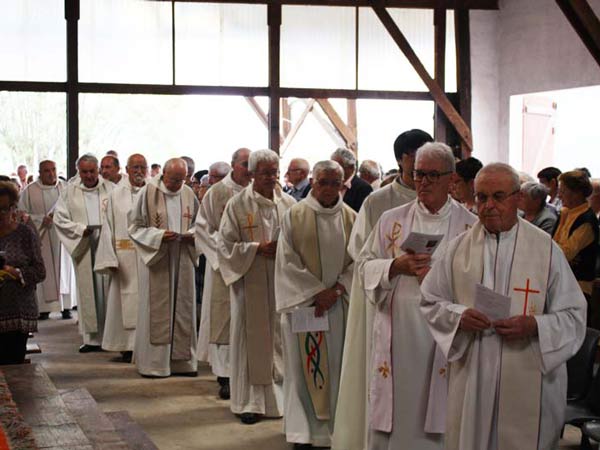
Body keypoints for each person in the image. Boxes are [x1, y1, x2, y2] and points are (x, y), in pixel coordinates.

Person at [420, 163, 586, 450]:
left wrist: (535, 325)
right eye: (481, 197)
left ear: (517, 198)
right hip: (473, 376)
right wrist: (459, 317)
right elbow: (430, 300)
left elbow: (574, 316)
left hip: (528, 375)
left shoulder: (546, 250)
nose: (488, 206)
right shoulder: (458, 249)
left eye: (498, 196)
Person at [359, 143, 476, 450]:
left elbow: (479, 282)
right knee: (401, 406)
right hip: (399, 332)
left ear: (451, 179)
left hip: (446, 336)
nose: (422, 182)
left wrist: (436, 275)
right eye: (417, 174)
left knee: (441, 408)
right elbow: (363, 266)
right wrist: (395, 265)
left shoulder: (470, 226)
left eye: (431, 175)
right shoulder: (390, 220)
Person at [333, 128, 433, 450]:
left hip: (428, 308)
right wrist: (393, 265)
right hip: (385, 299)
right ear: (404, 159)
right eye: (420, 158)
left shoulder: (440, 201)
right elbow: (359, 252)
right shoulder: (379, 201)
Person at [275, 160, 356, 448]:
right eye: (323, 182)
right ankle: (302, 433)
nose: (329, 188)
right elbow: (286, 261)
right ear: (313, 181)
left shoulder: (351, 218)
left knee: (335, 368)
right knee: (300, 370)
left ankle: (332, 431)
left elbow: (358, 262)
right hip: (304, 307)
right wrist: (316, 292)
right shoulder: (294, 215)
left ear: (342, 184)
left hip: (337, 307)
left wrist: (336, 290)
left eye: (336, 183)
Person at [218, 149, 296, 424]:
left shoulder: (287, 203)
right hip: (249, 282)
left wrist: (283, 250)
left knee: (278, 341)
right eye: (265, 173)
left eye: (274, 172)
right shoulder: (237, 205)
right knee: (249, 342)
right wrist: (255, 248)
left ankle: (279, 402)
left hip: (279, 282)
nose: (271, 178)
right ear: (251, 174)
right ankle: (249, 403)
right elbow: (224, 245)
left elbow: (298, 241)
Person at [128, 158, 199, 377]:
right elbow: (134, 227)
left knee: (183, 307)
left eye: (181, 179)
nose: (177, 184)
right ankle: (155, 364)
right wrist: (159, 236)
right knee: (157, 310)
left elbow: (200, 223)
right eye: (173, 179)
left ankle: (182, 363)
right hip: (158, 258)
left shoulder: (188, 194)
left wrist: (192, 235)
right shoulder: (148, 192)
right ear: (163, 174)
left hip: (183, 257)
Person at [196, 149, 251, 400]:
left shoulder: (261, 191)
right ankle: (225, 376)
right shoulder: (217, 192)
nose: (248, 169)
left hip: (253, 266)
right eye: (244, 164)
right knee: (223, 319)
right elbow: (203, 228)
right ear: (233, 166)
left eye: (252, 165)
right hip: (224, 266)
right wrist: (229, 254)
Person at [54, 154, 114, 352]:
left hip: (107, 244)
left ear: (98, 170)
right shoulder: (69, 192)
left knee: (108, 291)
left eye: (92, 171)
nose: (88, 176)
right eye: (84, 172)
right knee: (88, 291)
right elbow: (60, 219)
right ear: (78, 171)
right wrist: (80, 230)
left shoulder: (111, 189)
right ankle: (91, 340)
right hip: (84, 243)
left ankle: (110, 337)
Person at [95, 154, 148, 362]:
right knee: (123, 300)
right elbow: (106, 227)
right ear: (127, 168)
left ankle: (145, 344)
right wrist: (109, 258)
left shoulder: (152, 191)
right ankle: (126, 346)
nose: (139, 171)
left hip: (147, 256)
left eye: (142, 167)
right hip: (124, 256)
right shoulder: (116, 195)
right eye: (135, 167)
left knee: (145, 300)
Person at [0, 181, 46, 364]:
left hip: (18, 314)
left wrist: (15, 272)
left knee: (13, 368)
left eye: (4, 209)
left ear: (13, 207)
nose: (0, 214)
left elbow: (40, 271)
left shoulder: (25, 234)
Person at [18, 160, 70, 319]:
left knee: (63, 270)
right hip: (41, 237)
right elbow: (22, 214)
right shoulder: (30, 190)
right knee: (44, 268)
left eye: (53, 169)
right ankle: (45, 309)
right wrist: (41, 219)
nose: (51, 173)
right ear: (40, 173)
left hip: (62, 237)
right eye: (47, 171)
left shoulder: (65, 188)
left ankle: (66, 307)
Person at [553, 170, 599, 325]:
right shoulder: (565, 213)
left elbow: (565, 254)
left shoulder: (586, 221)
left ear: (577, 193)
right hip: (561, 280)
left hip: (578, 286)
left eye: (563, 191)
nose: (559, 196)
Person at [331, 148, 372, 212]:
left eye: (337, 167)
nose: (333, 171)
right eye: (331, 167)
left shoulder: (363, 188)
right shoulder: (329, 184)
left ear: (351, 167)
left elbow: (361, 215)